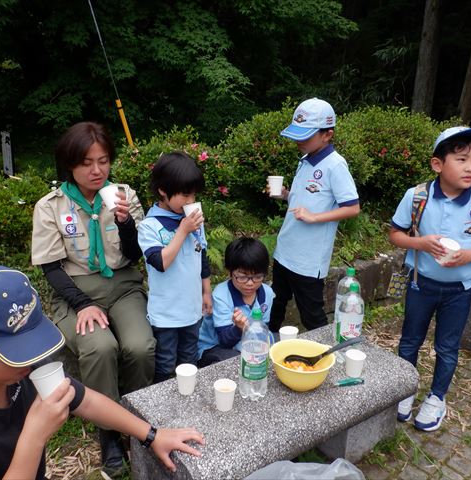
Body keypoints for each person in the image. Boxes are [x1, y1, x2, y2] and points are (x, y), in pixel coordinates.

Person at [0, 266, 204, 480]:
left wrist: (152, 435)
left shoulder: (19, 371)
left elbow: (83, 399)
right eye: (15, 352)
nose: (30, 362)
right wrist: (34, 436)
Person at [31, 121, 156, 472]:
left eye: (103, 160)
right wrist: (82, 303)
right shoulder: (50, 206)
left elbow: (134, 255)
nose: (97, 170)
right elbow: (51, 267)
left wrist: (126, 225)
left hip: (123, 285)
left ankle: (135, 418)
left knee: (140, 346)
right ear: (70, 164)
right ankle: (109, 434)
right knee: (100, 348)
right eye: (87, 162)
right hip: (76, 292)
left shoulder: (123, 197)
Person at [390, 126, 471, 432]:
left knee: (447, 346)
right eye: (461, 159)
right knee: (410, 340)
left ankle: (437, 397)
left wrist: (468, 256)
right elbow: (396, 234)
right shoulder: (416, 196)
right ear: (437, 164)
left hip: (460, 289)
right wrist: (422, 243)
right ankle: (403, 389)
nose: (470, 167)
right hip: (420, 283)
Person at [268, 98, 360, 334]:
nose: (299, 141)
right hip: (285, 250)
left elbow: (352, 207)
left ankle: (325, 357)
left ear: (327, 135)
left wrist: (314, 217)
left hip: (308, 261)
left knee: (312, 316)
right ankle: (265, 345)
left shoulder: (335, 165)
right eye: (297, 135)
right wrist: (285, 195)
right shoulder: (305, 159)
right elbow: (304, 201)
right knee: (274, 305)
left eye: (306, 136)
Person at [137, 151, 212, 383]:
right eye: (184, 195)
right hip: (167, 315)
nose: (190, 201)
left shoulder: (192, 221)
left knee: (190, 359)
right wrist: (182, 230)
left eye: (194, 195)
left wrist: (206, 292)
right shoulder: (149, 226)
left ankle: (186, 398)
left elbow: (203, 256)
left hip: (192, 309)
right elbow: (161, 262)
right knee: (166, 362)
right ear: (163, 190)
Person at [197, 237, 275, 367]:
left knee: (279, 344)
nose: (250, 283)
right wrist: (239, 328)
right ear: (230, 272)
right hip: (213, 346)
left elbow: (262, 328)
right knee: (236, 362)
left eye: (257, 276)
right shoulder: (221, 295)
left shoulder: (267, 293)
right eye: (242, 277)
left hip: (248, 341)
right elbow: (225, 341)